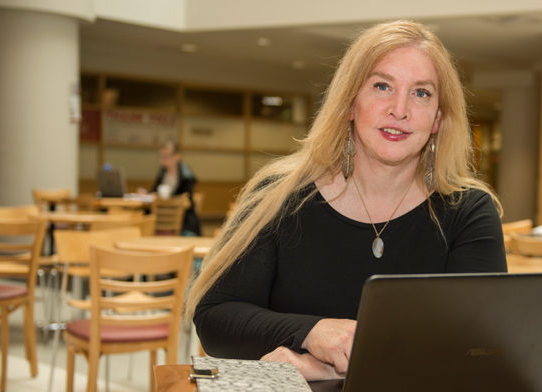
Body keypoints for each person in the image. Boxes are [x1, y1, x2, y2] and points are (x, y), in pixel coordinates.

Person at [185, 20, 506, 381]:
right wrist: (312, 332)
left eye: (421, 93)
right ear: (350, 103)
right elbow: (216, 318)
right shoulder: (278, 196)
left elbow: (479, 349)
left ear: (437, 119)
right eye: (382, 86)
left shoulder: (467, 212)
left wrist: (330, 371)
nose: (399, 110)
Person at [148, 140, 201, 236]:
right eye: (161, 157)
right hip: (162, 216)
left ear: (177, 156)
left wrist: (169, 200)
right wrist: (147, 194)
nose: (162, 160)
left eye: (166, 157)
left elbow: (187, 200)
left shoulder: (186, 175)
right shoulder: (162, 172)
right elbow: (154, 190)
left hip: (181, 219)